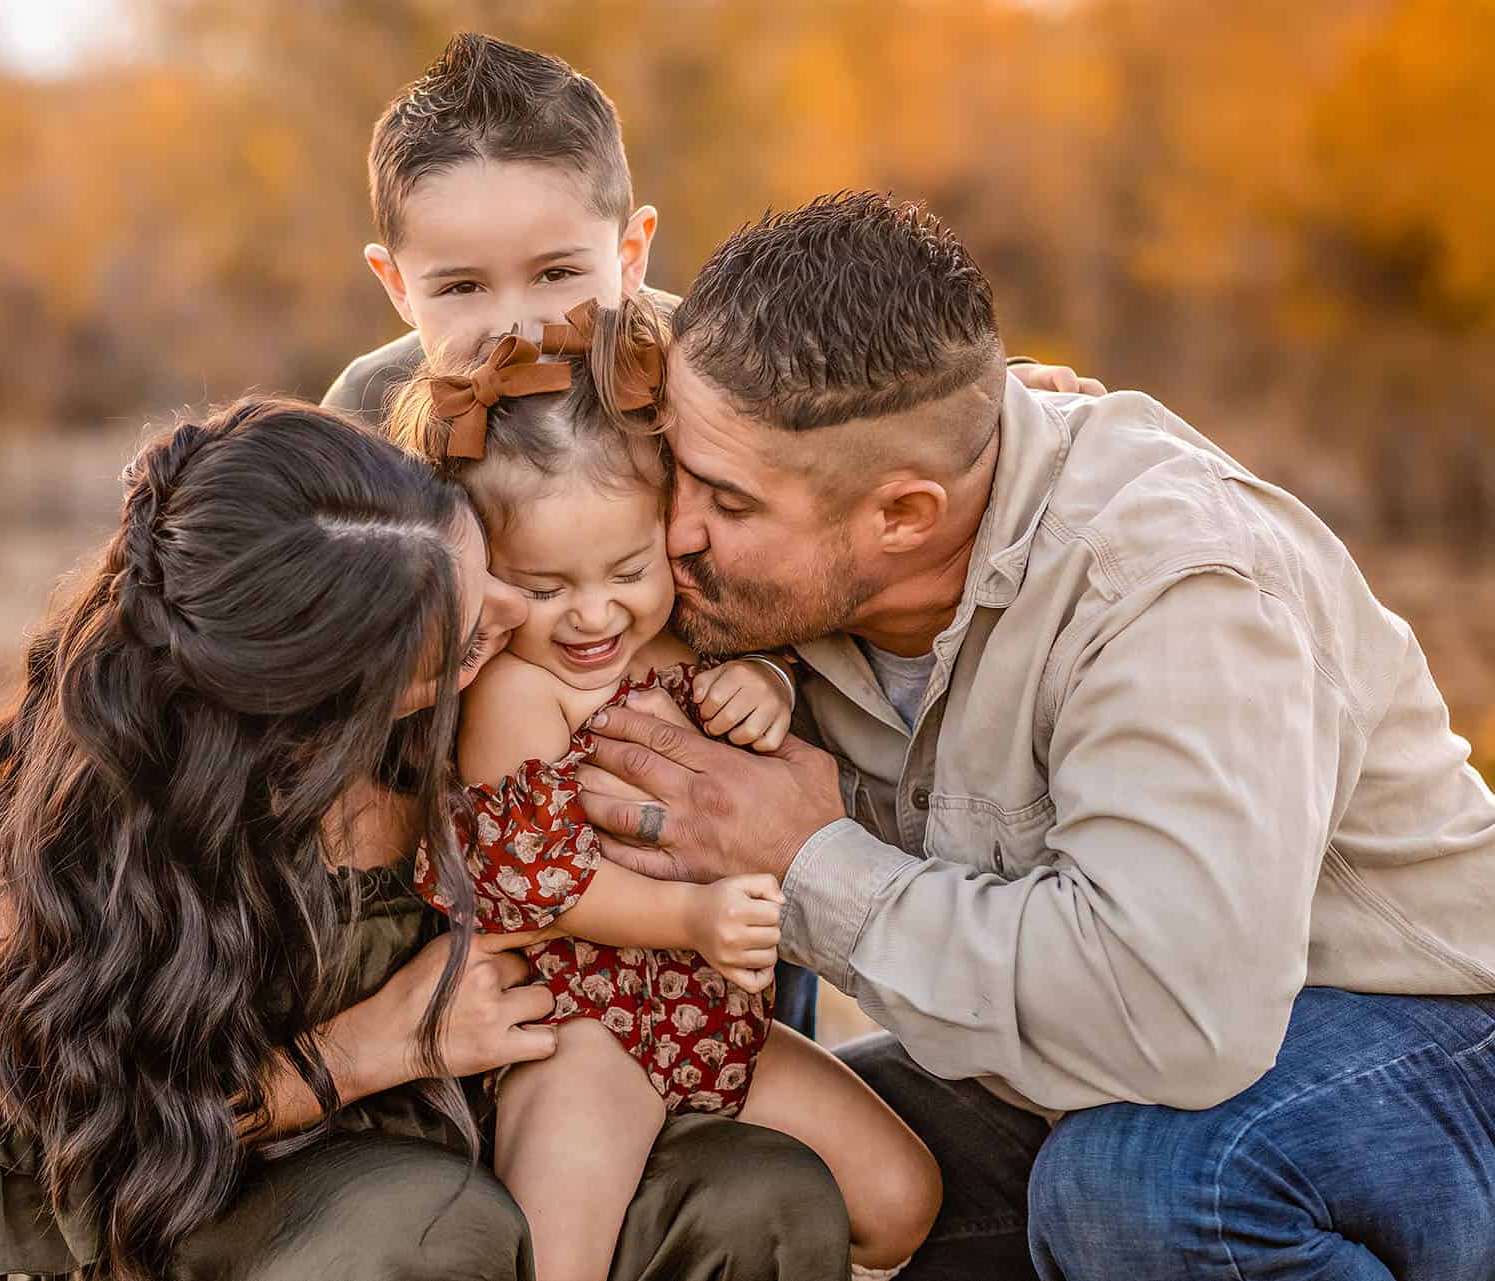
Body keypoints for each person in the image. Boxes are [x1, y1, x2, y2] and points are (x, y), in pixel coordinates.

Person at [575, 190, 1495, 1281]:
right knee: (767, 1162)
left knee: (1144, 1186)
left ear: (905, 515)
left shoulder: (1176, 590)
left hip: (1428, 1035)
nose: (674, 532)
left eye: (727, 502)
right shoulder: (800, 533)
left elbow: (1178, 1022)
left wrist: (804, 860)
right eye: (680, 465)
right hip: (1110, 1068)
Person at [0, 400, 852, 1281]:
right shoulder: (84, 858)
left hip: (485, 1148)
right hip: (206, 1215)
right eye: (467, 641)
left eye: (495, 578)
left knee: (762, 1194)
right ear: (326, 716)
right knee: (423, 1223)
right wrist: (377, 1045)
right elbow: (94, 1161)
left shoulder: (481, 729)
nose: (517, 624)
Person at [322, 30, 1103, 1035]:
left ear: (631, 252)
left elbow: (871, 418)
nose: (515, 322)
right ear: (395, 282)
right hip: (512, 821)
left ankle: (767, 1038)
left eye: (559, 272)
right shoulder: (377, 413)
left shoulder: (700, 377)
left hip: (698, 781)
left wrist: (1003, 408)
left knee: (745, 953)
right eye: (462, 288)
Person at [390, 299, 942, 1281]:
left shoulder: (685, 637)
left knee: (902, 1199)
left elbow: (777, 699)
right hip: (579, 1025)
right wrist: (688, 917)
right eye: (545, 586)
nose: (594, 614)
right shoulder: (519, 694)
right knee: (560, 1257)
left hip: (706, 1016)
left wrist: (764, 686)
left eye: (628, 569)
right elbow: (536, 885)